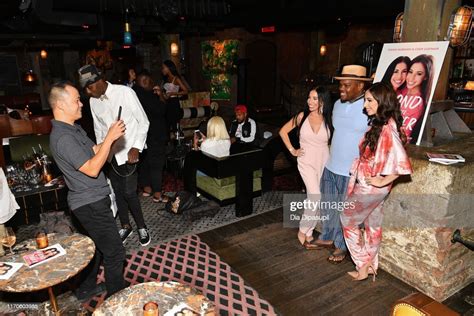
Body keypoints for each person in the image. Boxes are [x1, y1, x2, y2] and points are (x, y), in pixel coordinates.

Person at [48, 81, 126, 300]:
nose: (81, 104)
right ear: (61, 105)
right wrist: (110, 138)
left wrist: (111, 138)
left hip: (91, 199)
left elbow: (93, 151)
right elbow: (92, 169)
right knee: (115, 252)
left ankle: (86, 289)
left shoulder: (73, 129)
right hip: (89, 202)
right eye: (76, 100)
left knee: (99, 250)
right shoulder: (63, 138)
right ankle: (118, 300)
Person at [341, 82, 412, 281]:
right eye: (365, 100)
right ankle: (371, 265)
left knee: (347, 220)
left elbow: (402, 162)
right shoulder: (383, 124)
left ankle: (362, 264)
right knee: (373, 226)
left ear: (382, 101)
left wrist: (383, 181)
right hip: (374, 188)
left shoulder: (387, 129)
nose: (365, 105)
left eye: (369, 100)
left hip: (369, 187)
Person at [78, 64, 151, 247]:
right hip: (111, 155)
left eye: (90, 86)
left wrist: (136, 147)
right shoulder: (93, 101)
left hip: (130, 152)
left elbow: (144, 121)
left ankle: (142, 226)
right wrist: (100, 153)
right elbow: (99, 130)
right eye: (85, 88)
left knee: (129, 192)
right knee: (117, 191)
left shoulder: (125, 93)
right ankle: (126, 225)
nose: (88, 92)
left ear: (100, 80)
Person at [316, 65, 372, 263]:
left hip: (351, 171)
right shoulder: (338, 104)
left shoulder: (370, 106)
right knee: (329, 206)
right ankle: (327, 237)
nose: (341, 89)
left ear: (360, 86)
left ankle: (341, 246)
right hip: (331, 165)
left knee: (343, 211)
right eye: (340, 85)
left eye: (346, 85)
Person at [279, 86, 334, 249]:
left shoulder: (329, 119)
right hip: (306, 161)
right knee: (315, 196)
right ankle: (302, 231)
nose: (310, 101)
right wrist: (292, 150)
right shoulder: (302, 116)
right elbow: (283, 132)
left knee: (318, 198)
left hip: (324, 161)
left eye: (315, 98)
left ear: (323, 100)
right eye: (309, 98)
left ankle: (309, 233)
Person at [133, 70, 169, 203]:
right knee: (157, 163)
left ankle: (147, 188)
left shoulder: (134, 94)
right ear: (145, 81)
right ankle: (158, 194)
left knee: (145, 161)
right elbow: (161, 110)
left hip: (142, 135)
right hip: (155, 134)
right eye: (150, 81)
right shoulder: (149, 96)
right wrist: (160, 96)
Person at [398, 54, 434, 142]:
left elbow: (406, 134)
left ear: (425, 77)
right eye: (410, 72)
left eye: (419, 74)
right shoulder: (399, 89)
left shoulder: (418, 103)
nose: (411, 78)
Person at [162, 60, 188, 133]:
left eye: (163, 68)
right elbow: (166, 93)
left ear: (168, 68)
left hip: (174, 103)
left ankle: (177, 142)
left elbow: (186, 91)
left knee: (175, 125)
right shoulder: (166, 78)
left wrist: (173, 93)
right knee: (167, 124)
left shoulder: (176, 78)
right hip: (167, 103)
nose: (162, 70)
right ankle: (168, 142)